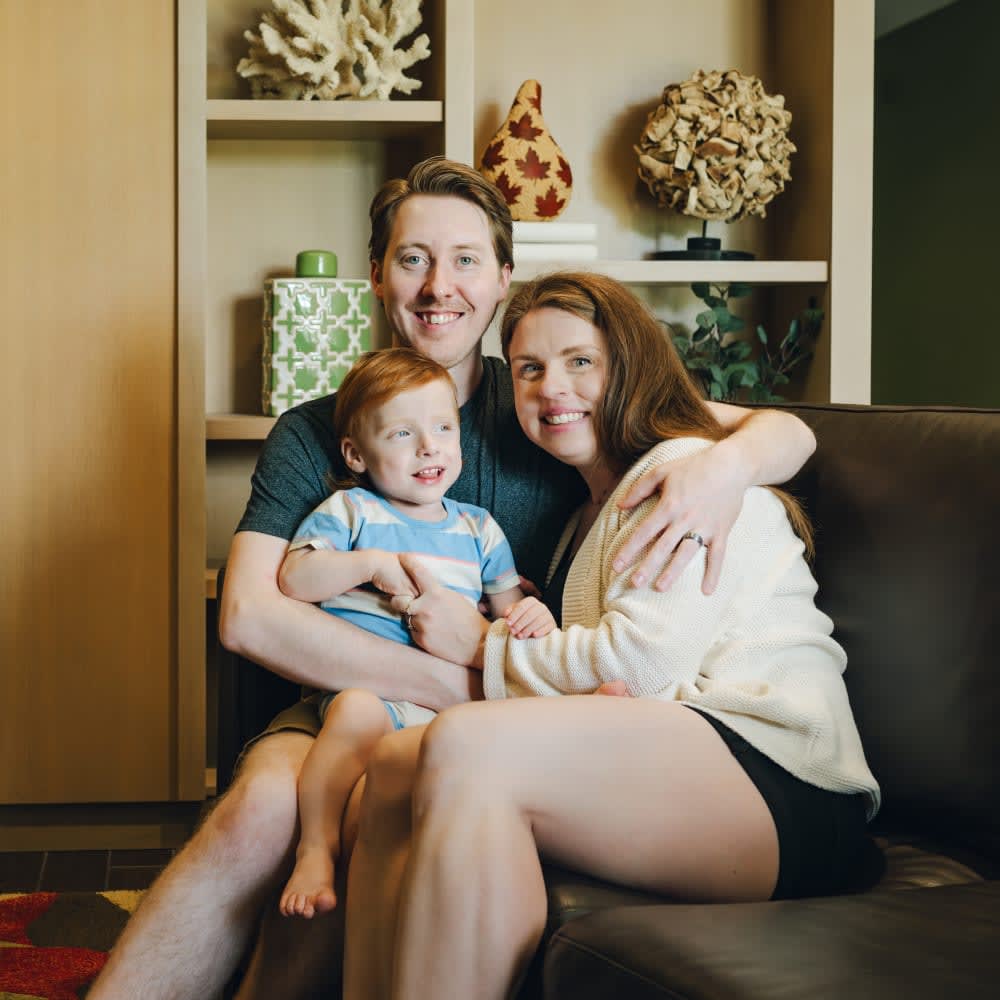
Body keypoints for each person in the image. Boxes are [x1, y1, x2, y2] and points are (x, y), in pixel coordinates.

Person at [90, 157, 817, 1000]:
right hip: (378, 689)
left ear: (503, 279)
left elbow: (768, 429)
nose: (440, 286)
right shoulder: (323, 427)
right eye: (412, 259)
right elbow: (250, 617)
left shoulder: (554, 401)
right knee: (260, 809)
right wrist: (462, 678)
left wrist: (726, 472)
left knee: (381, 795)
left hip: (518, 701)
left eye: (467, 260)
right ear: (376, 275)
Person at [345, 271, 881, 999]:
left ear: (626, 365)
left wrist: (479, 644)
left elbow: (646, 666)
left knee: (465, 742)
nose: (551, 388)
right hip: (689, 756)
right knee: (393, 763)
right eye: (530, 369)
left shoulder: (687, 479)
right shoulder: (582, 520)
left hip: (785, 782)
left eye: (580, 362)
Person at [277, 347, 554, 919]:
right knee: (355, 711)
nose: (429, 447)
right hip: (368, 693)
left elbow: (506, 613)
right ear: (356, 453)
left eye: (443, 428)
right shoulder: (352, 512)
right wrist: (368, 564)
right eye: (403, 433)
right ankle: (315, 847)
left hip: (445, 706)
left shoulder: (479, 528)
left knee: (488, 739)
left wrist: (534, 618)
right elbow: (294, 577)